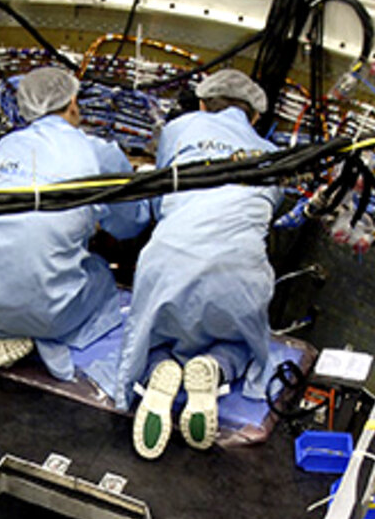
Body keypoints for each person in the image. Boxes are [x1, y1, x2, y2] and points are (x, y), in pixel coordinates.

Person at [115, 69, 282, 459]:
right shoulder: (274, 157)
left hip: (168, 261)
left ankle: (158, 370)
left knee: (152, 332)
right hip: (241, 274)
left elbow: (158, 201)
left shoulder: (179, 129)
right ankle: (215, 368)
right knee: (241, 340)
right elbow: (269, 209)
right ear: (255, 117)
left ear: (203, 104)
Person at [0, 66, 150, 375]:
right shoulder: (98, 153)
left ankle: (2, 332)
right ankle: (34, 337)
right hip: (47, 310)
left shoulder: (4, 147)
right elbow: (129, 225)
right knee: (100, 273)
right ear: (73, 103)